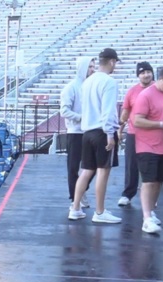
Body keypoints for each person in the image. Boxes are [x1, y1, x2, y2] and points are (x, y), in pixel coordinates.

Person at [68, 48, 121, 224]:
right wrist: (110, 134)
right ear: (112, 61)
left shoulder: (87, 82)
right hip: (101, 132)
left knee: (86, 171)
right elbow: (108, 111)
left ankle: (75, 208)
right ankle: (99, 212)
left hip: (87, 132)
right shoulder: (109, 82)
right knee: (103, 171)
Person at [131, 65, 163, 234]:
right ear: (160, 79)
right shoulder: (146, 95)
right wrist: (161, 124)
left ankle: (151, 211)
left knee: (159, 181)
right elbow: (137, 120)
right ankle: (146, 218)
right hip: (148, 145)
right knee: (148, 181)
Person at [60, 56, 97, 210]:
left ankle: (81, 190)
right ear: (82, 68)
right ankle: (74, 197)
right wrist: (80, 118)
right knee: (73, 166)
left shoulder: (91, 86)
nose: (93, 70)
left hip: (89, 130)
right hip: (75, 132)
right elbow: (64, 110)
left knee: (92, 165)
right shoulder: (71, 87)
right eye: (90, 67)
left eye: (94, 67)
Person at [118, 62, 154, 207]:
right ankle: (128, 194)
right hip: (134, 132)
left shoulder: (160, 89)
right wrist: (119, 130)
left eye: (148, 72)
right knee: (131, 164)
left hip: (154, 134)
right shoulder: (132, 91)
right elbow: (125, 112)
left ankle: (151, 197)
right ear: (138, 75)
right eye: (142, 72)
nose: (146, 75)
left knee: (151, 166)